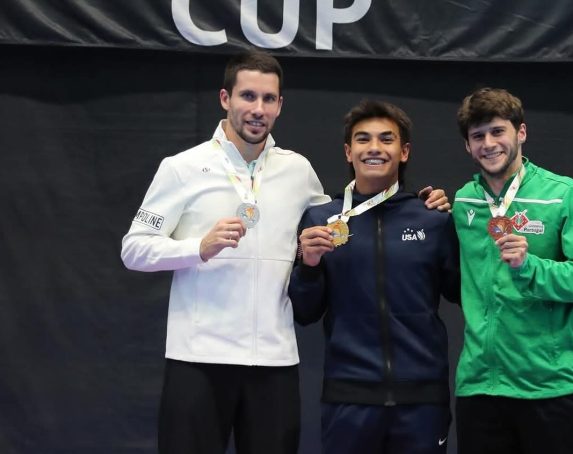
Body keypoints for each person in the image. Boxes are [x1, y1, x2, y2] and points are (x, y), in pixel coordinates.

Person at [120, 51, 448, 454]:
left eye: (268, 99)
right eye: (248, 96)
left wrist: (422, 204)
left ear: (280, 105)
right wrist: (197, 248)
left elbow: (348, 219)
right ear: (225, 98)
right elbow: (134, 249)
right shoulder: (182, 168)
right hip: (198, 357)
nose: (258, 109)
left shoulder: (297, 171)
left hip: (273, 362)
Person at [288, 100, 461, 454]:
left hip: (422, 398)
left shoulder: (433, 219)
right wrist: (309, 263)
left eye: (387, 139)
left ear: (404, 151)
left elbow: (461, 292)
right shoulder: (320, 220)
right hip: (348, 396)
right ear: (349, 151)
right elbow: (305, 312)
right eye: (363, 140)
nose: (375, 148)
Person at [450, 87, 573, 454]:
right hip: (481, 389)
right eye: (477, 136)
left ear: (521, 132)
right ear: (467, 146)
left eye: (497, 131)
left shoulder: (564, 195)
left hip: (553, 388)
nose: (488, 143)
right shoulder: (462, 201)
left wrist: (530, 265)